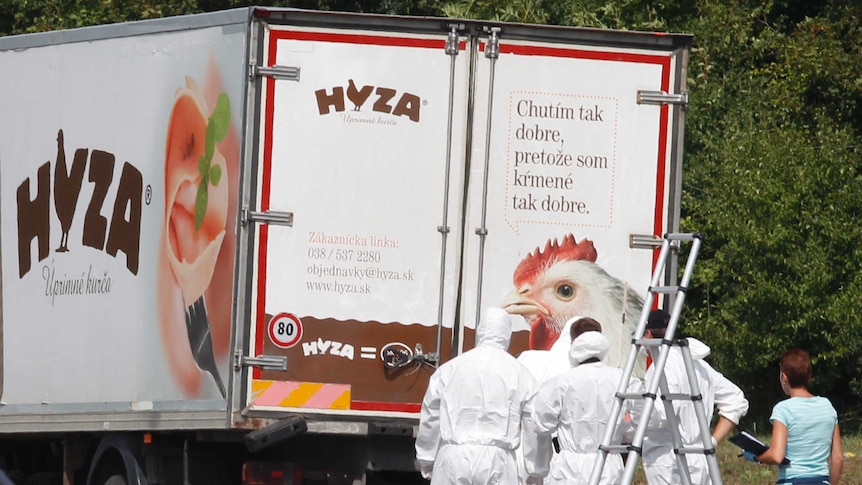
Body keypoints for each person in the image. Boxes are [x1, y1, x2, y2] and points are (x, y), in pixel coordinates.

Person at [415, 307, 544, 484]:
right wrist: (536, 469)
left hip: (453, 458)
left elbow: (431, 417)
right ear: (507, 334)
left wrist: (426, 457)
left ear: (480, 330)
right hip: (499, 462)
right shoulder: (521, 374)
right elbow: (534, 425)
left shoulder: (449, 370)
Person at [526, 318, 644, 484]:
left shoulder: (560, 382)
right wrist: (625, 431)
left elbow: (540, 424)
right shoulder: (624, 379)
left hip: (569, 468)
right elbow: (645, 418)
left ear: (574, 342)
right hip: (610, 465)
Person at [641, 309, 749, 485]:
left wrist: (630, 421)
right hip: (701, 457)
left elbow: (658, 415)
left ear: (648, 333)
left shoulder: (660, 368)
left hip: (669, 462)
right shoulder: (699, 365)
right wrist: (711, 442)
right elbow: (736, 400)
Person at [745, 349, 843, 485]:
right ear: (809, 376)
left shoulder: (783, 409)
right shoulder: (827, 406)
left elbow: (776, 456)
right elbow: (838, 457)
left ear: (784, 377)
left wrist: (755, 456)